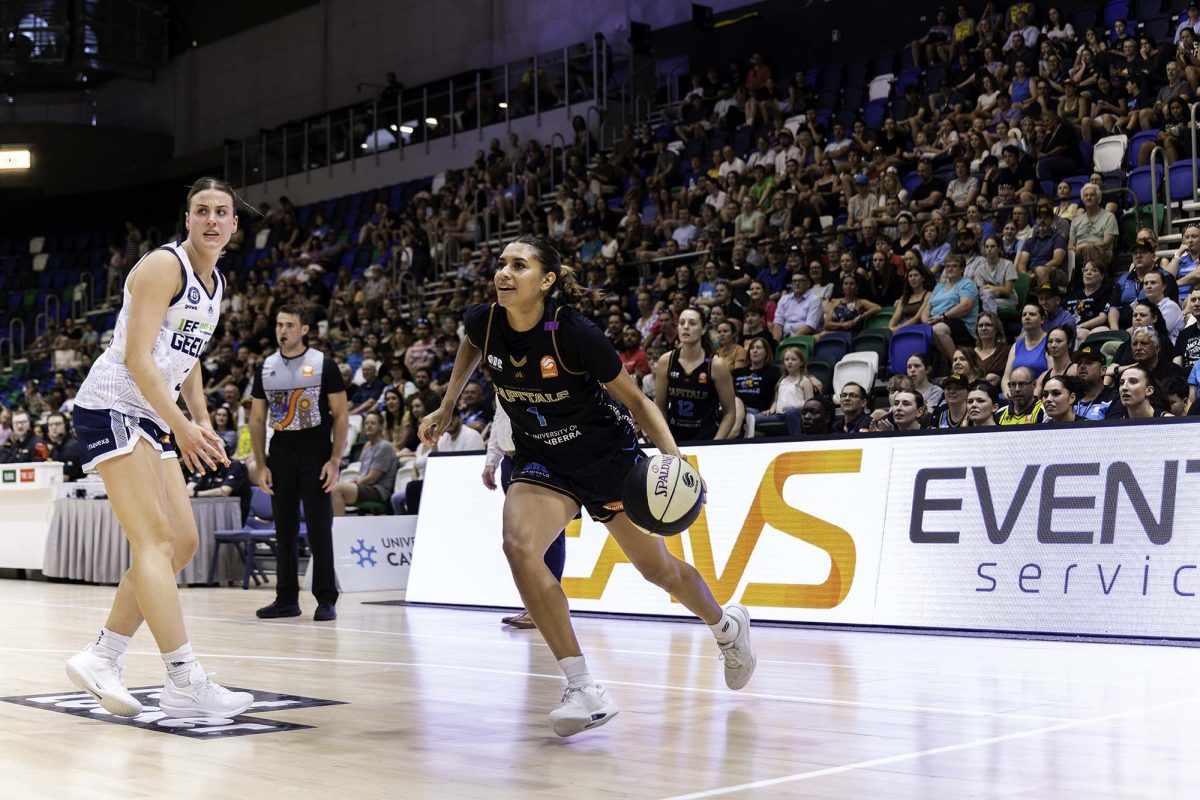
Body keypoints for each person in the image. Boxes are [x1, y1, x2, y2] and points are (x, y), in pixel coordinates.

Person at [420, 236, 756, 737]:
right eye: (501, 264)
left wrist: (677, 463)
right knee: (518, 546)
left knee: (657, 570)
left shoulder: (575, 335)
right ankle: (583, 687)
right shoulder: (483, 320)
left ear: (547, 280)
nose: (503, 273)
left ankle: (726, 627)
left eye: (519, 265)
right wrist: (447, 405)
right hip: (542, 460)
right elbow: (472, 344)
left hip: (607, 460)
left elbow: (641, 405)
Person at [65, 177, 253, 720]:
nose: (213, 220)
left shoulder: (215, 282)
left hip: (152, 414)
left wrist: (199, 417)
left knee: (184, 544)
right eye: (202, 211)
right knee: (155, 540)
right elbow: (138, 360)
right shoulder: (162, 266)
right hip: (112, 406)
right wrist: (182, 426)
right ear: (188, 218)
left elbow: (185, 357)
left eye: (222, 212)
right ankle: (183, 678)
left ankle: (103, 656)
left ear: (234, 225)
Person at [250, 303, 349, 622]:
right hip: (280, 452)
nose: (282, 330)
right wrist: (261, 464)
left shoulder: (323, 364)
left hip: (316, 451)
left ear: (305, 329)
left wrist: (335, 459)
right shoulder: (265, 367)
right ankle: (286, 599)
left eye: (290, 325)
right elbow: (256, 418)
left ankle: (326, 599)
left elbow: (341, 413)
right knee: (285, 529)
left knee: (320, 528)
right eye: (279, 324)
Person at [483, 401, 565, 630]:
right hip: (510, 460)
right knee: (520, 539)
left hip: (537, 457)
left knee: (550, 534)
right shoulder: (503, 373)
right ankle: (533, 605)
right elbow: (500, 418)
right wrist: (492, 460)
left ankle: (547, 607)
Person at [656, 307, 738, 443]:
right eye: (682, 323)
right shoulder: (666, 361)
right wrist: (666, 441)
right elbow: (660, 407)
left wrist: (715, 444)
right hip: (673, 440)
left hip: (706, 440)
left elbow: (730, 413)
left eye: (692, 323)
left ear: (704, 329)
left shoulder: (716, 364)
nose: (685, 327)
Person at [332, 411, 398, 516]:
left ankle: (339, 528)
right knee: (331, 488)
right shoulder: (368, 447)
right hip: (367, 486)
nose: (369, 426)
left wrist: (354, 484)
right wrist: (354, 480)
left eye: (373, 423)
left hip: (377, 490)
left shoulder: (384, 447)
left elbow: (372, 478)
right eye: (367, 423)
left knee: (335, 490)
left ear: (381, 426)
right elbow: (362, 473)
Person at [923, 254, 980, 361]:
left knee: (938, 330)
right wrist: (926, 320)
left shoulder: (967, 284)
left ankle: (956, 363)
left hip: (960, 323)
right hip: (937, 321)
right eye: (947, 266)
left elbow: (965, 306)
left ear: (962, 269)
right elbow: (927, 308)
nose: (950, 269)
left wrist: (942, 317)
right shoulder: (939, 286)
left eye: (954, 266)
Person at [1003, 303, 1049, 391]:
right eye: (1024, 315)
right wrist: (1008, 392)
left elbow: (1053, 373)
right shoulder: (1016, 345)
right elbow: (1006, 378)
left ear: (1042, 319)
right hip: (1016, 394)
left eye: (1032, 314)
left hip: (1040, 394)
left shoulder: (1050, 342)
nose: (1027, 317)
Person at [1070, 343, 1117, 420]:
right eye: (1079, 363)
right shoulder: (1069, 397)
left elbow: (1112, 430)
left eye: (1089, 363)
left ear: (1103, 370)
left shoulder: (1114, 398)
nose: (1082, 366)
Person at [44, 411, 83, 481]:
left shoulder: (73, 446)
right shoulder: (55, 448)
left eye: (58, 424)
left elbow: (65, 478)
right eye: (50, 425)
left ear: (66, 425)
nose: (54, 427)